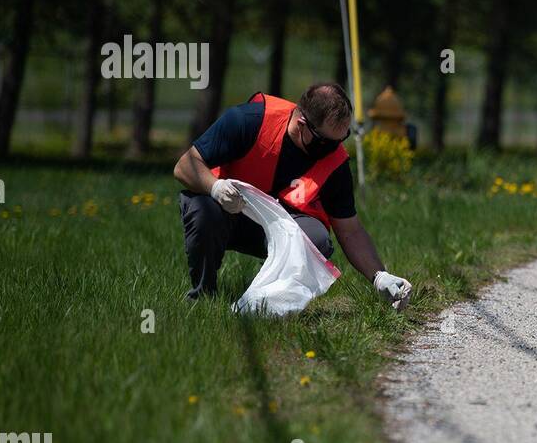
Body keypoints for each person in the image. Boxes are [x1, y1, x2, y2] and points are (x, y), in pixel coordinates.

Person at [173, 83, 412, 309]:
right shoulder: (248, 120)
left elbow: (350, 230)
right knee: (203, 210)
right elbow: (185, 166)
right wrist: (216, 188)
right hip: (227, 211)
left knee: (316, 239)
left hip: (278, 228)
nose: (333, 149)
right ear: (301, 124)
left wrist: (379, 276)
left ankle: (267, 303)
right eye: (325, 142)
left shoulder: (336, 161)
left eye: (341, 139)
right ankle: (204, 296)